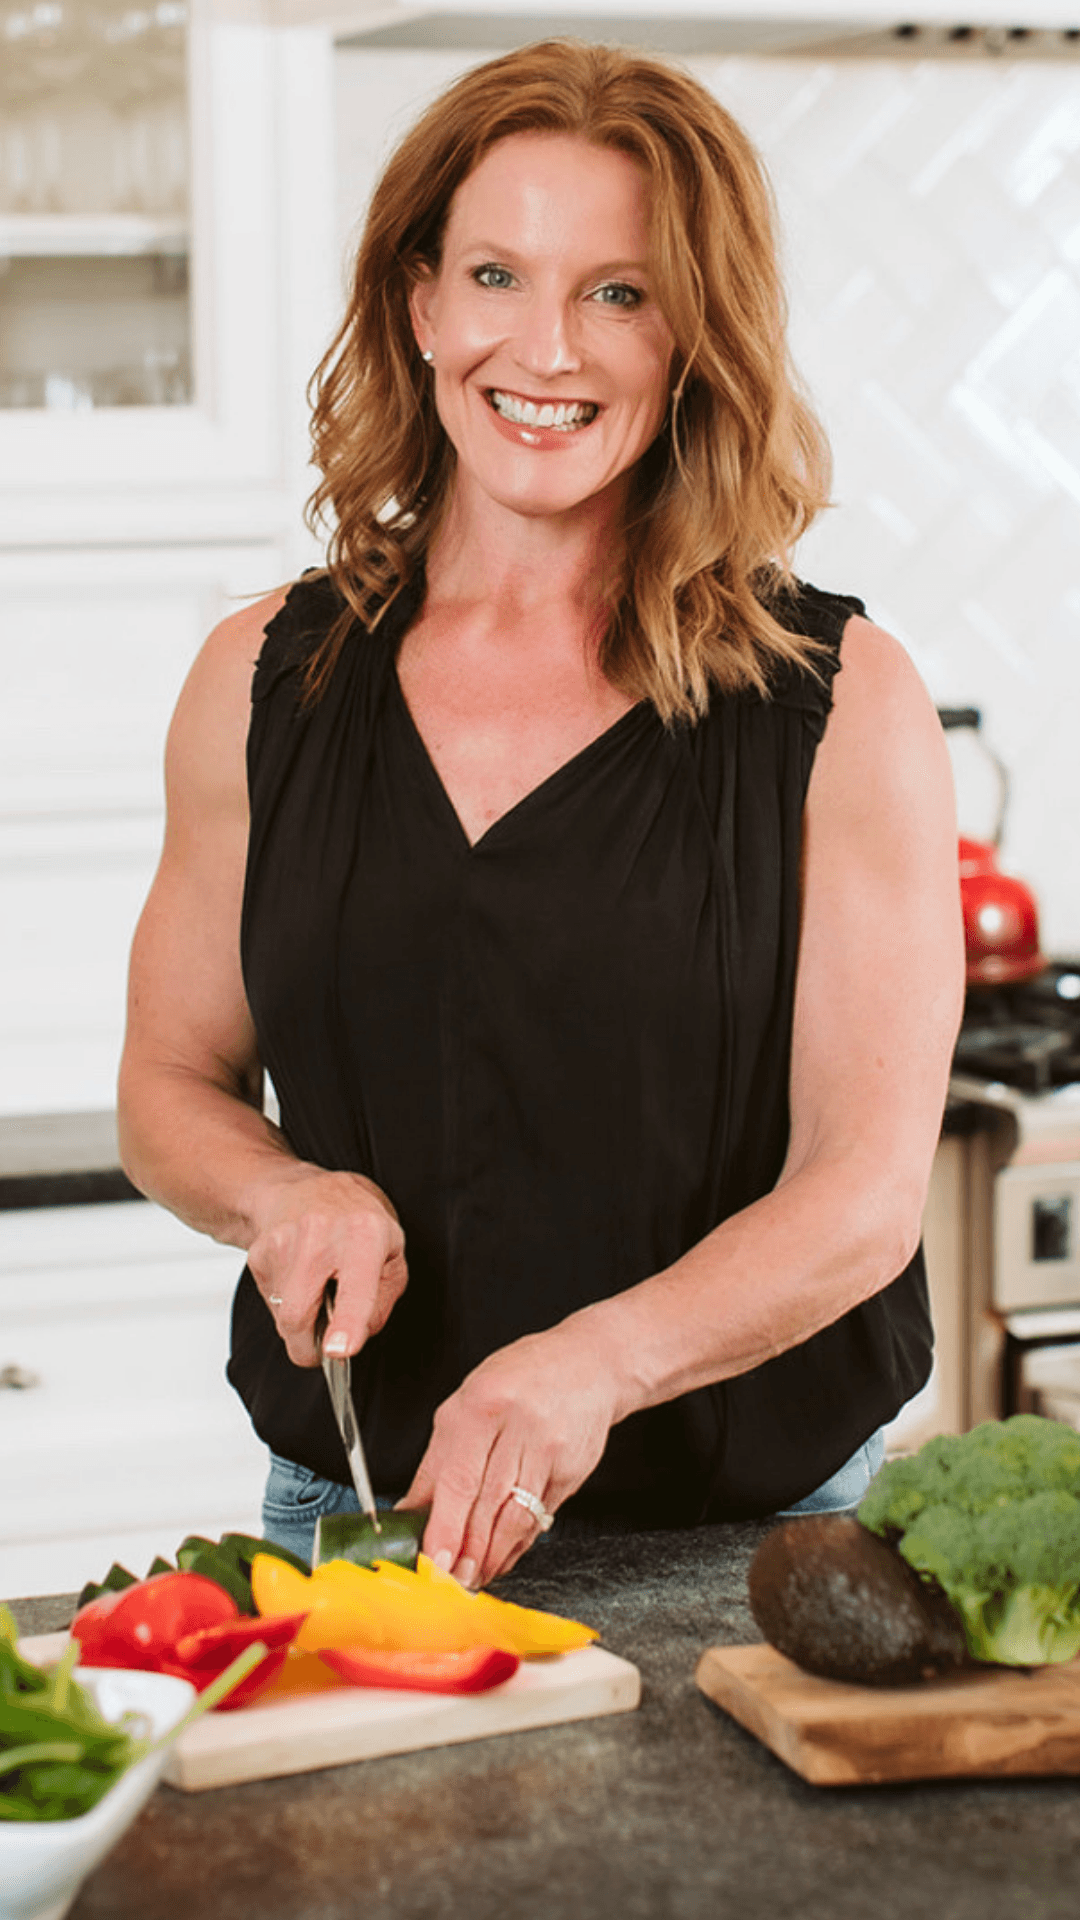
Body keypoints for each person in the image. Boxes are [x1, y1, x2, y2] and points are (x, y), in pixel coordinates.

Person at [117, 40, 964, 1589]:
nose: (549, 347)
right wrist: (280, 1190)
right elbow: (169, 1082)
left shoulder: (842, 705)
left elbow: (864, 1196)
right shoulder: (259, 682)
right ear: (422, 302)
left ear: (692, 337)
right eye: (498, 274)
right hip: (357, 1525)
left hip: (757, 1545)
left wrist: (599, 1361)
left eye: (620, 294)